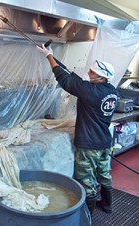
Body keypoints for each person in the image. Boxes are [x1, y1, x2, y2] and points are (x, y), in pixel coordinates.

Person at [37, 44, 118, 215]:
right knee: (104, 174)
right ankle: (107, 205)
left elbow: (65, 80)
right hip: (104, 142)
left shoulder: (90, 91)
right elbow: (75, 81)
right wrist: (53, 57)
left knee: (86, 179)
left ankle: (87, 214)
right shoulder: (112, 91)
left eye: (92, 73)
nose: (88, 74)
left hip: (89, 145)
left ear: (101, 77)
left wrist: (48, 56)